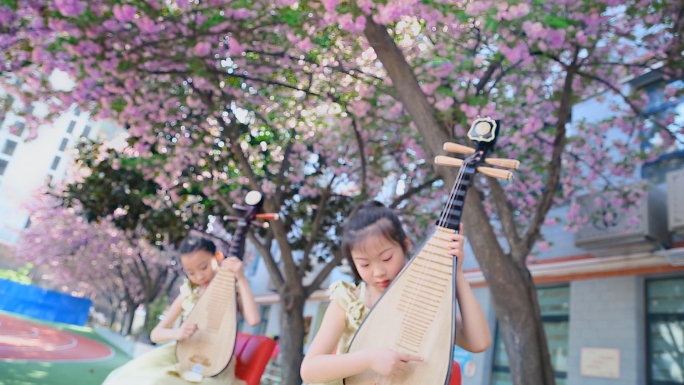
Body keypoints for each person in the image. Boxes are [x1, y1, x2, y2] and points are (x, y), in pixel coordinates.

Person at [300, 201, 492, 384]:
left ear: (405, 244)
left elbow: (478, 342)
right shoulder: (350, 301)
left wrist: (456, 272)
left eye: (386, 258)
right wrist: (369, 359)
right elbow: (309, 369)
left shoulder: (422, 301)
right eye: (364, 264)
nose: (378, 272)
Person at [102, 236, 260, 385]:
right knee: (129, 376)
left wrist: (241, 277)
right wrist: (177, 333)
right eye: (190, 272)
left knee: (160, 382)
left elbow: (253, 320)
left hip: (215, 359)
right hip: (180, 353)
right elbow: (156, 334)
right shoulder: (190, 292)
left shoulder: (232, 291)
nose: (198, 275)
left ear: (218, 257)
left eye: (203, 267)